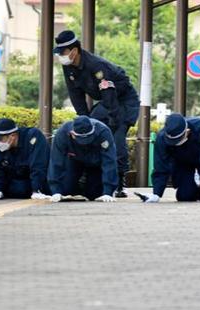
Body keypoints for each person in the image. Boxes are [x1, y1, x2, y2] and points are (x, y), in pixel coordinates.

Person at [53, 30, 139, 198]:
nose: (60, 56)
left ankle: (119, 181)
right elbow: (75, 95)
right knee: (89, 129)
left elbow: (109, 94)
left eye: (62, 52)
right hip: (106, 101)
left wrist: (114, 119)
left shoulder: (96, 66)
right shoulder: (68, 67)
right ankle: (88, 173)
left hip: (124, 100)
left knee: (117, 135)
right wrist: (85, 118)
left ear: (74, 51)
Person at [141, 113, 200, 203]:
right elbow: (160, 166)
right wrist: (156, 194)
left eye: (177, 140)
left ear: (187, 131)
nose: (175, 143)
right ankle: (196, 191)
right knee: (184, 196)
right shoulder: (161, 138)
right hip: (182, 162)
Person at [0, 118, 50, 200]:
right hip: (11, 177)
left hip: (28, 179)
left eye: (0, 139)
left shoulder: (32, 136)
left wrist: (36, 189)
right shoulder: (2, 146)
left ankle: (22, 191)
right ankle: (3, 192)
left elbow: (38, 166)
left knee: (21, 188)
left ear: (13, 136)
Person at [48, 116, 118, 203]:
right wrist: (56, 190)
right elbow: (56, 161)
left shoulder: (103, 132)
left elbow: (109, 161)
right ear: (72, 133)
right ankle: (77, 188)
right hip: (74, 160)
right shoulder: (62, 133)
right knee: (66, 191)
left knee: (95, 194)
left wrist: (108, 191)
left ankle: (88, 186)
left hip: (96, 163)